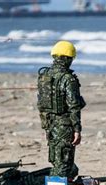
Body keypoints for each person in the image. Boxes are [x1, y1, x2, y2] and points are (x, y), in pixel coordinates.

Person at [37, 40, 86, 177]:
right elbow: (74, 106)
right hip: (64, 127)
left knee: (57, 160)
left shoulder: (44, 76)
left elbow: (41, 103)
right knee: (64, 165)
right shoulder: (68, 79)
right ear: (68, 59)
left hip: (50, 125)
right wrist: (77, 129)